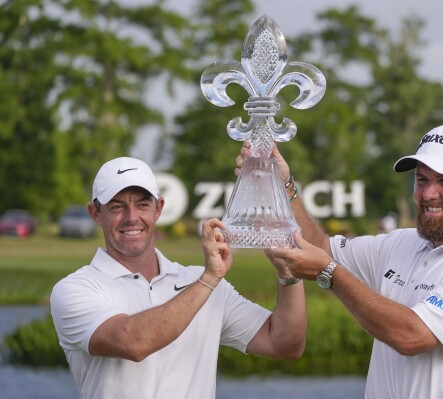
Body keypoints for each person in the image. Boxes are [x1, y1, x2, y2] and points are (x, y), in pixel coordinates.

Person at [237, 123, 443, 398]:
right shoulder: (401, 242)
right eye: (422, 179)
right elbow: (316, 247)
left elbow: (412, 336)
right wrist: (283, 186)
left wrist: (330, 273)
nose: (429, 193)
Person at [50, 157, 306, 399]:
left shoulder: (203, 283)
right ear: (95, 213)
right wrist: (208, 279)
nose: (131, 217)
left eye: (142, 204)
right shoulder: (75, 289)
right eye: (117, 207)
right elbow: (133, 342)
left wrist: (289, 274)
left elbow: (284, 344)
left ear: (158, 208)